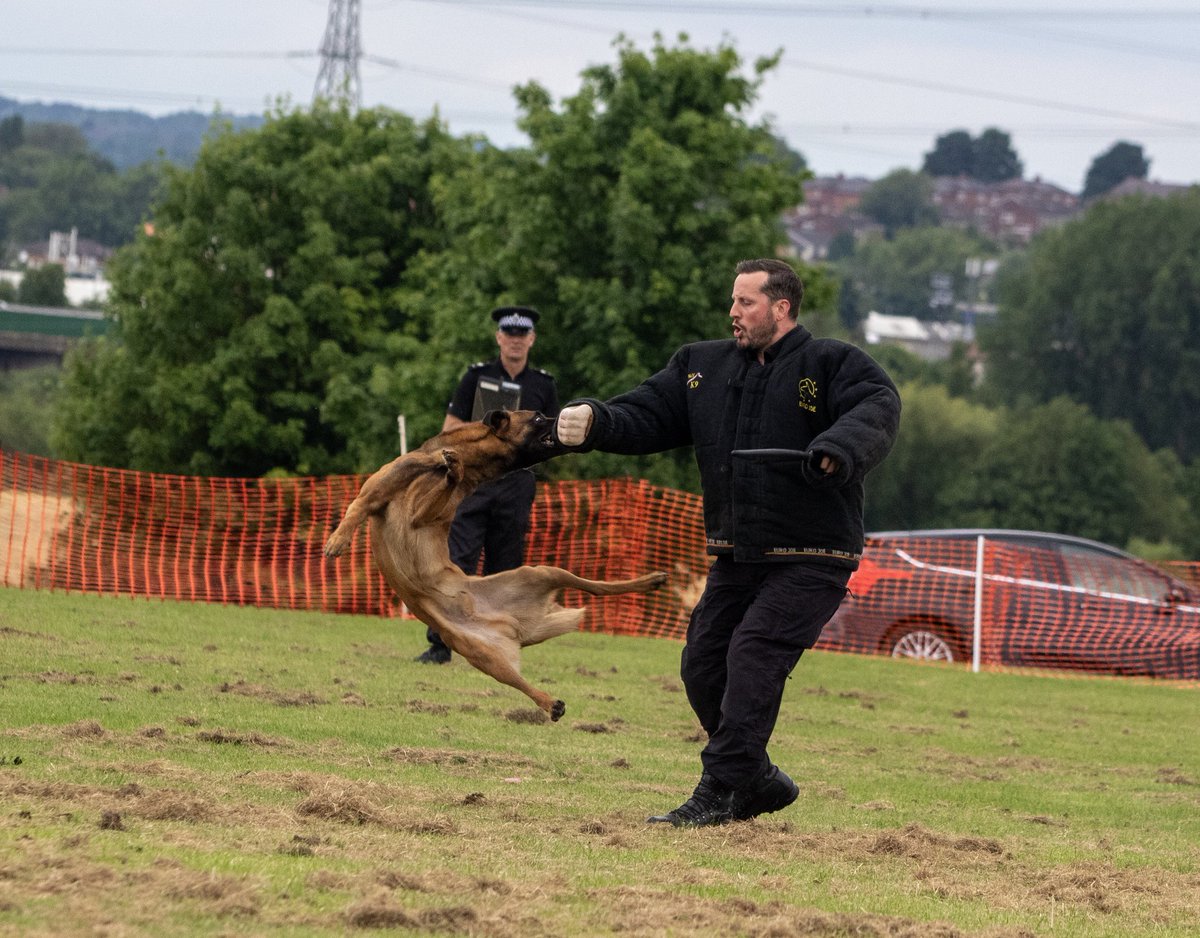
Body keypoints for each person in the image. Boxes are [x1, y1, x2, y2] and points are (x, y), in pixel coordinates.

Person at [553, 259, 901, 826]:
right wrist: (596, 419)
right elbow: (648, 411)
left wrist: (839, 446)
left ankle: (716, 790)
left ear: (781, 308)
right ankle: (756, 778)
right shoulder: (701, 366)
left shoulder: (831, 362)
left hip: (814, 555)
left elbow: (878, 404)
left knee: (754, 654)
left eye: (745, 303)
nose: (733, 314)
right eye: (733, 303)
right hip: (737, 554)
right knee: (702, 664)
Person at [415, 305, 560, 664]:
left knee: (506, 566)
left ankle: (496, 642)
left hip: (515, 487)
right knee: (457, 559)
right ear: (499, 338)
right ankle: (441, 644)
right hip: (474, 483)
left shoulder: (544, 385)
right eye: (508, 334)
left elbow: (553, 438)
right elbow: (450, 428)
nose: (515, 341)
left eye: (521, 335)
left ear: (531, 339)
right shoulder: (475, 377)